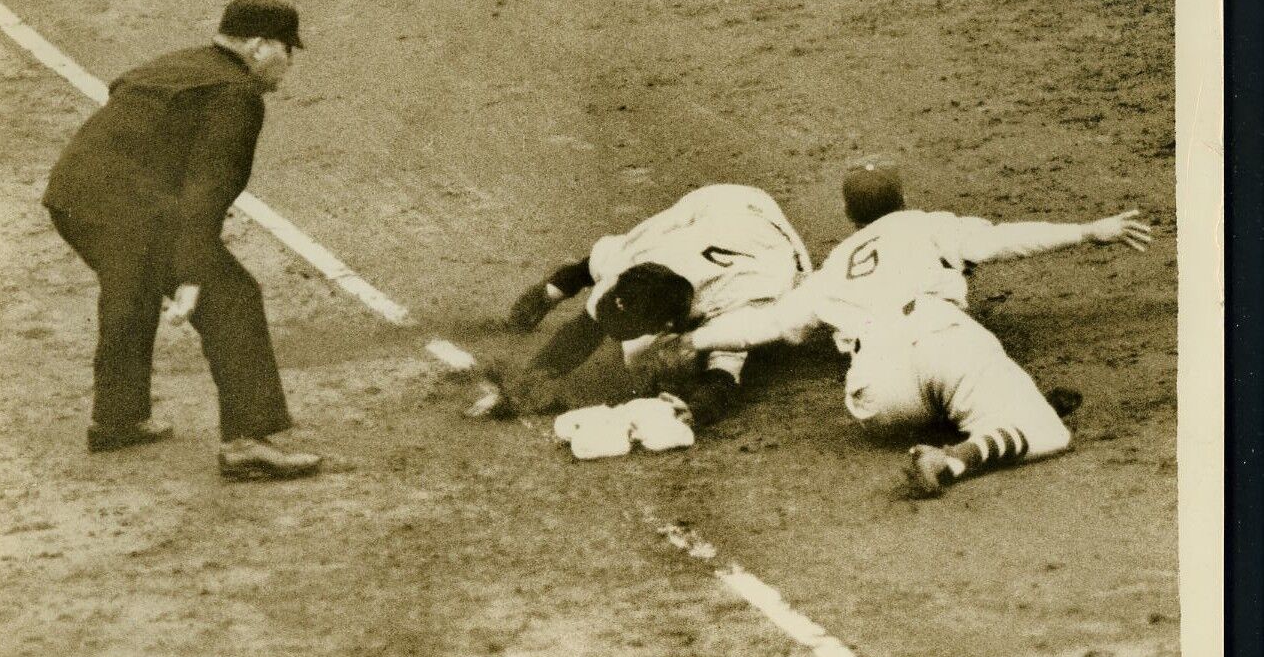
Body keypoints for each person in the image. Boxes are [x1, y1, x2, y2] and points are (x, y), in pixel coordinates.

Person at [639, 165, 1152, 497]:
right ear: (902, 197)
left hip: (877, 393)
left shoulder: (834, 265)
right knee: (1047, 432)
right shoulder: (927, 224)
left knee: (948, 394)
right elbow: (1003, 241)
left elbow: (769, 324)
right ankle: (954, 460)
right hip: (940, 336)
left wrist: (694, 341)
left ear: (849, 215)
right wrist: (1088, 231)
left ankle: (979, 415)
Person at [43, 0, 324, 480]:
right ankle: (247, 442)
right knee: (232, 298)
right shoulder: (237, 94)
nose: (289, 63)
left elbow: (121, 91)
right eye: (286, 49)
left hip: (71, 195)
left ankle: (117, 419)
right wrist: (192, 274)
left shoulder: (175, 64)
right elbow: (206, 193)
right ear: (258, 47)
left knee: (129, 289)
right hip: (126, 209)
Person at [473, 184, 813, 430]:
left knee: (674, 358)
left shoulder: (739, 304)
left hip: (773, 241)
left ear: (667, 323)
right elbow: (586, 319)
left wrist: (694, 412)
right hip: (714, 203)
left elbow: (723, 377)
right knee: (607, 274)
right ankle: (546, 294)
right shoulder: (637, 260)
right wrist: (536, 375)